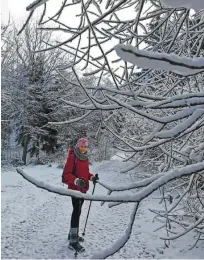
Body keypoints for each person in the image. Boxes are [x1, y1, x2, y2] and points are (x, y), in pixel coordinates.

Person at [63, 138, 98, 252]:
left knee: (78, 211)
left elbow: (85, 173)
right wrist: (76, 181)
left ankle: (72, 234)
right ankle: (73, 241)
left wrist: (92, 177)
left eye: (85, 146)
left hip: (82, 190)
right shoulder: (72, 157)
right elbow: (67, 174)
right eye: (81, 146)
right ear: (78, 146)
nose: (83, 148)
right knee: (76, 211)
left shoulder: (85, 158)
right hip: (74, 189)